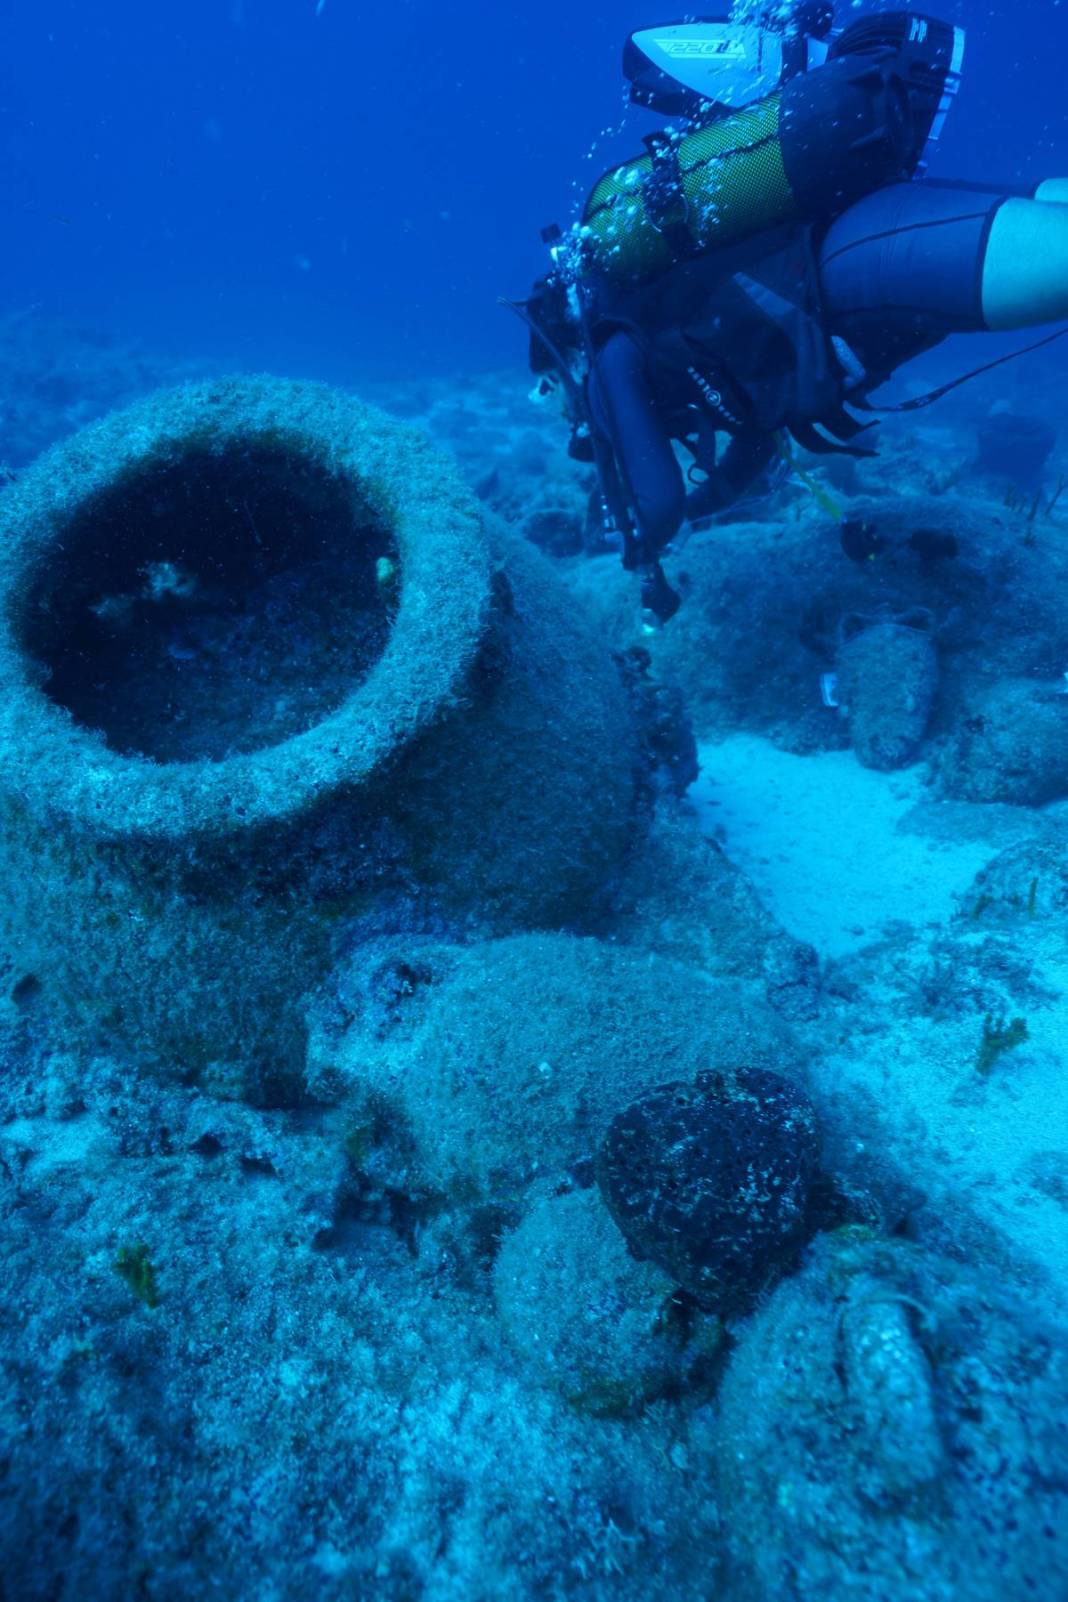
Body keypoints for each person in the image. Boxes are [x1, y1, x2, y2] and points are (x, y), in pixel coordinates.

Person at [524, 6, 1068, 622]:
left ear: (563, 354)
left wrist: (628, 544)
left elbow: (658, 504)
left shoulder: (609, 358)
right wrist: (704, 509)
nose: (559, 408)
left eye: (548, 391)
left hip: (854, 277)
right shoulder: (645, 331)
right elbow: (755, 443)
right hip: (858, 254)